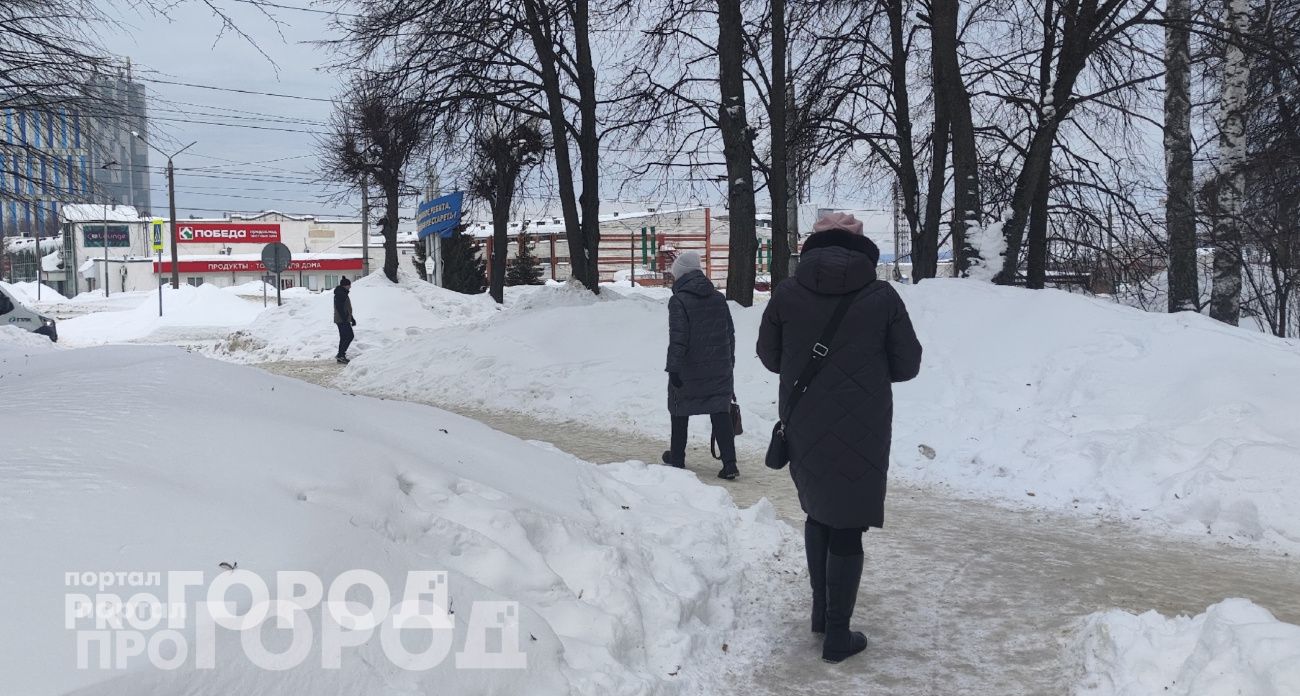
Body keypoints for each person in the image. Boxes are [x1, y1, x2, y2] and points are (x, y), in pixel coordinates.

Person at [756, 212, 922, 663]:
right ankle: (837, 634)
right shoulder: (881, 295)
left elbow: (768, 356)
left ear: (813, 243)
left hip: (804, 418)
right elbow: (908, 365)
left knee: (817, 512)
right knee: (847, 520)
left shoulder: (787, 292)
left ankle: (820, 613)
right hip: (863, 425)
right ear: (861, 249)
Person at [661, 251, 739, 480]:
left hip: (689, 369)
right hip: (720, 367)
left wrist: (673, 369)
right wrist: (729, 362)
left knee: (679, 409)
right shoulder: (717, 297)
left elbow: (678, 338)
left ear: (681, 275)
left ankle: (677, 458)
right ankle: (730, 464)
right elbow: (730, 333)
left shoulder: (678, 301)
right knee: (720, 412)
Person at [333, 277, 356, 364]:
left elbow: (346, 308)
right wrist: (345, 319)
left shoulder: (342, 293)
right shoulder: (340, 294)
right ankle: (341, 355)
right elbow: (339, 308)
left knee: (344, 337)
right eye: (349, 285)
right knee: (350, 336)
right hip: (342, 320)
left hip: (343, 319)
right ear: (345, 285)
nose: (350, 287)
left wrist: (352, 318)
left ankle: (340, 355)